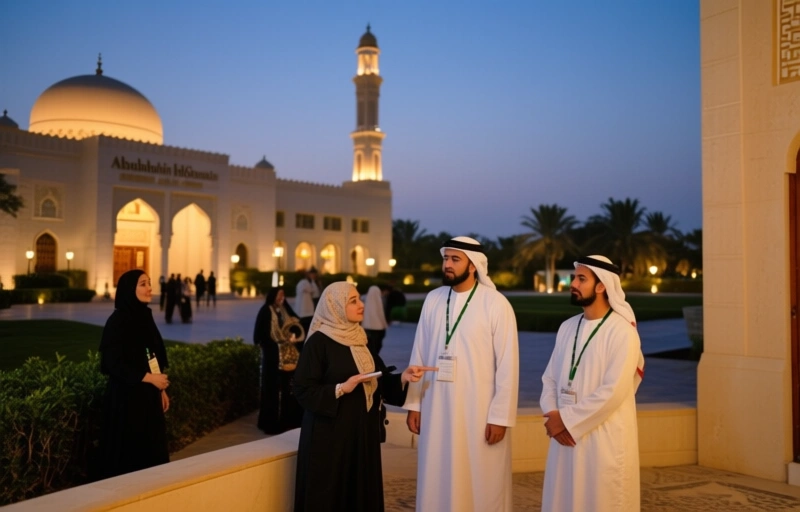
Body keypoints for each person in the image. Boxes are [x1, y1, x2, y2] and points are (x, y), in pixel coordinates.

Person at [293, 282, 435, 512]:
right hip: (330, 438)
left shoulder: (360, 338)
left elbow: (375, 379)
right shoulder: (319, 342)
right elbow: (302, 389)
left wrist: (403, 378)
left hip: (360, 434)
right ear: (335, 306)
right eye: (353, 301)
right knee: (331, 494)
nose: (362, 305)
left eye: (360, 299)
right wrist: (340, 388)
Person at [403, 236, 519, 511]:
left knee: (482, 478)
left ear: (473, 266)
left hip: (478, 412)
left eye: (455, 260)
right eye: (446, 259)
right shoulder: (433, 299)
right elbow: (418, 353)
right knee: (436, 472)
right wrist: (414, 404)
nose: (448, 265)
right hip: (436, 407)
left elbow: (508, 365)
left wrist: (500, 417)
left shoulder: (495, 304)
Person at [540, 255, 645, 511]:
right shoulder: (567, 327)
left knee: (600, 499)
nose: (573, 283)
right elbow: (549, 378)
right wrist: (553, 413)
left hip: (602, 438)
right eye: (575, 277)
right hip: (564, 433)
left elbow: (613, 391)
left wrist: (565, 421)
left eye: (581, 278)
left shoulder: (622, 332)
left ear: (601, 286)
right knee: (564, 497)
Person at [98, 269, 170, 478]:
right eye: (143, 284)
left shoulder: (144, 317)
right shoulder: (118, 320)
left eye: (149, 283)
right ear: (130, 289)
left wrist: (161, 389)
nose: (149, 288)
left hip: (148, 396)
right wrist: (148, 378)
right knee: (129, 458)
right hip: (126, 399)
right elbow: (112, 363)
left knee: (152, 456)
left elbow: (152, 355)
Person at [253, 286, 305, 434]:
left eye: (283, 296)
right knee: (273, 390)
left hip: (290, 357)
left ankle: (290, 419)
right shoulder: (265, 311)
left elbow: (297, 324)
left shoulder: (284, 310)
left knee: (289, 388)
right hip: (274, 359)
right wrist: (276, 344)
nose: (282, 299)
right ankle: (271, 422)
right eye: (279, 296)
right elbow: (260, 336)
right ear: (273, 296)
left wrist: (293, 336)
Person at [362, 285, 388, 357]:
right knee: (377, 345)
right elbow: (381, 314)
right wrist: (384, 324)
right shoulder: (379, 300)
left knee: (370, 346)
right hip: (378, 327)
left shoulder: (364, 300)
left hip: (367, 327)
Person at [295, 267, 320, 334]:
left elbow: (316, 294)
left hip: (308, 311)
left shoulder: (311, 283)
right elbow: (312, 291)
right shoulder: (303, 283)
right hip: (303, 311)